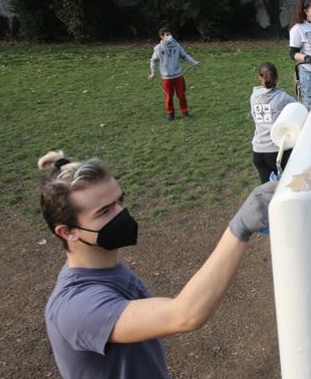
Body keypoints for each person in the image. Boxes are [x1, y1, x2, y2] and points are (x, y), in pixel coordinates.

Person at [36, 150, 275, 378]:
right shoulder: (76, 307)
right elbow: (184, 315)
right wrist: (239, 228)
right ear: (67, 232)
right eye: (105, 211)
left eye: (120, 200)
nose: (122, 213)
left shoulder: (104, 269)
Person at [249, 62, 297, 183]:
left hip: (258, 152)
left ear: (259, 78)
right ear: (277, 77)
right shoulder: (283, 98)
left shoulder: (254, 96)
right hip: (277, 152)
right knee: (287, 187)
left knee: (267, 191)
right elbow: (298, 108)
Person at [149, 27, 199, 121]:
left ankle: (185, 112)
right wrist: (152, 73)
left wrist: (194, 62)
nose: (169, 36)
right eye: (167, 35)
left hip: (178, 76)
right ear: (161, 36)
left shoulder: (176, 45)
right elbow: (153, 60)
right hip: (166, 78)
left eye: (170, 34)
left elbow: (184, 55)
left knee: (181, 95)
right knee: (168, 97)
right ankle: (170, 113)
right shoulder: (158, 48)